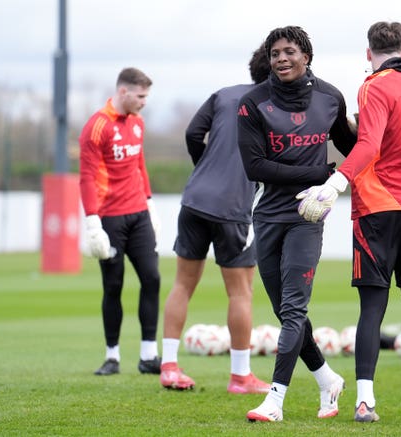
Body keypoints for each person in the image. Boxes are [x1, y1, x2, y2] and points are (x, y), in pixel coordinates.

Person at [297, 21, 401, 423]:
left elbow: (371, 144)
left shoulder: (373, 86)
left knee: (372, 308)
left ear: (369, 53)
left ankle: (365, 401)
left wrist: (334, 183)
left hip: (378, 207)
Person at [237, 25, 357, 422]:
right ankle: (327, 379)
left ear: (306, 55)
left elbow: (353, 149)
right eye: (275, 54)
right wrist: (317, 174)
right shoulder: (252, 102)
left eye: (289, 51)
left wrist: (343, 177)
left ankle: (275, 400)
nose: (282, 59)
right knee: (286, 311)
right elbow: (255, 166)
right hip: (268, 213)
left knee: (293, 309)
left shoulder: (330, 97)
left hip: (308, 215)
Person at [158, 45, 271, 394]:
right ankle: (240, 377)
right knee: (240, 292)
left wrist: (206, 168)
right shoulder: (276, 107)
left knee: (182, 284)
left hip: (194, 199)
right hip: (232, 207)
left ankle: (170, 367)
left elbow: (193, 134)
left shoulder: (223, 95)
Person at [79, 67, 162, 376]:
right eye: (141, 96)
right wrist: (92, 222)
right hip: (110, 219)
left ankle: (148, 356)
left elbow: (140, 167)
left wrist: (150, 205)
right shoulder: (96, 127)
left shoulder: (138, 124)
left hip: (138, 214)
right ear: (124, 92)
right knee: (113, 286)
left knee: (152, 279)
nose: (144, 102)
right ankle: (112, 356)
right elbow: (87, 177)